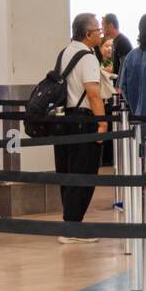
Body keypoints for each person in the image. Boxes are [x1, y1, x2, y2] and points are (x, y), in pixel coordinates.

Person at [54, 13, 109, 243]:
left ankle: (70, 221)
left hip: (64, 120)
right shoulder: (87, 58)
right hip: (83, 120)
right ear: (87, 34)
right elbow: (94, 94)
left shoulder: (65, 52)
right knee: (84, 172)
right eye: (97, 30)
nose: (100, 33)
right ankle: (73, 227)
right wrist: (103, 123)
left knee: (67, 171)